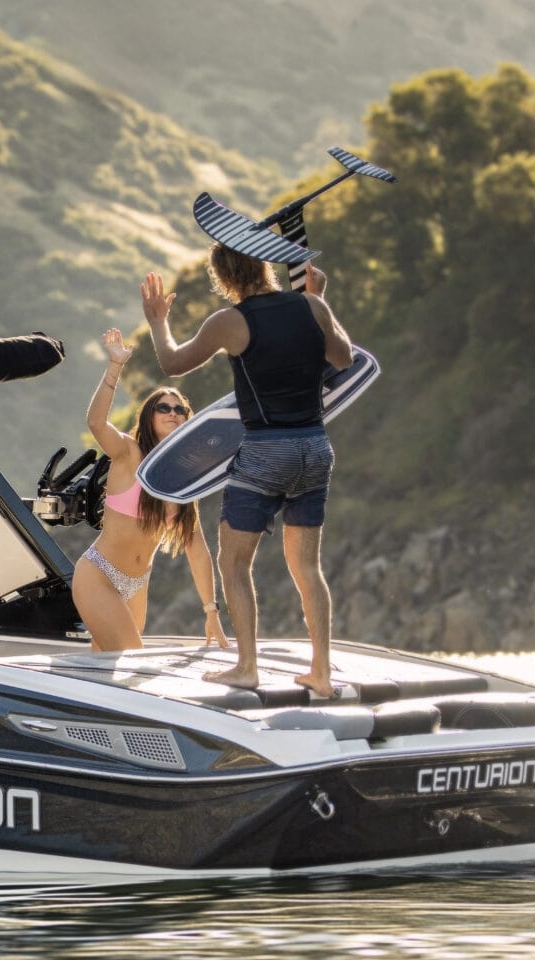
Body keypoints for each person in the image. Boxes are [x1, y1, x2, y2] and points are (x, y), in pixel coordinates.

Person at [139, 248, 353, 697]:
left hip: (264, 451)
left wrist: (158, 319)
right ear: (264, 265)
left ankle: (247, 667)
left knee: (233, 563)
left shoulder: (229, 322)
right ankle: (321, 673)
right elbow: (345, 358)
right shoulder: (311, 306)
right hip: (314, 447)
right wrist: (320, 299)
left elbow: (173, 363)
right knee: (307, 566)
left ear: (223, 277)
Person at [75, 328, 227, 652]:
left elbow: (197, 551)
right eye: (164, 408)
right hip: (98, 574)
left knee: (107, 672)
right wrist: (115, 366)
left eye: (179, 409)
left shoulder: (184, 479)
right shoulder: (129, 452)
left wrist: (211, 611)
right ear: (149, 416)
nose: (173, 412)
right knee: (132, 658)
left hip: (137, 585)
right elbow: (96, 423)